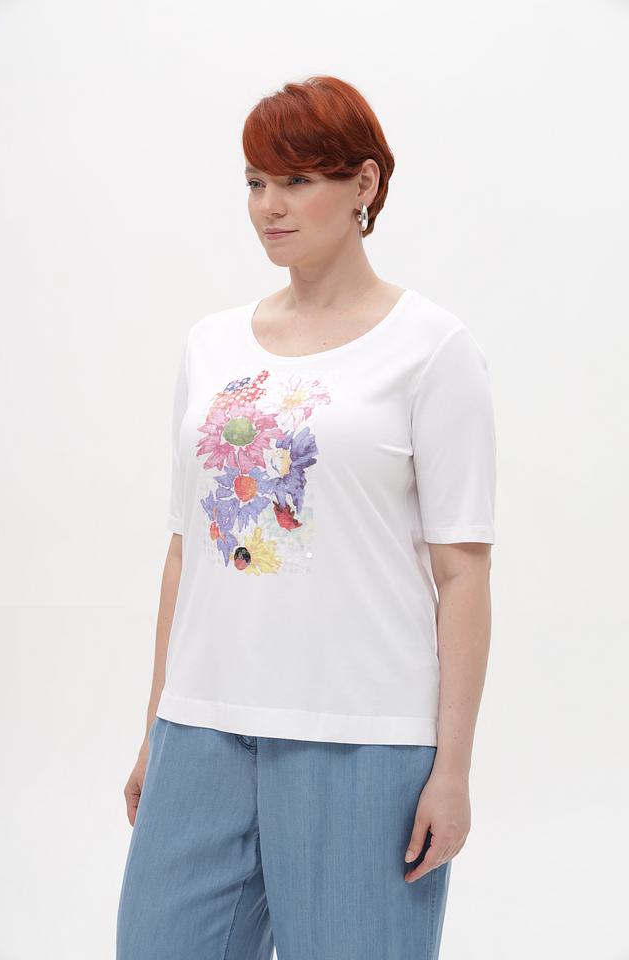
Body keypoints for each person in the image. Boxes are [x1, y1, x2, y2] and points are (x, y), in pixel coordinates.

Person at [116, 74, 496, 960]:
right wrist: (155, 732)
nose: (269, 207)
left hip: (362, 744)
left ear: (364, 184)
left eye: (297, 180)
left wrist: (452, 770)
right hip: (202, 734)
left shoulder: (432, 349)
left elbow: (463, 573)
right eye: (256, 182)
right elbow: (183, 551)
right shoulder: (212, 344)